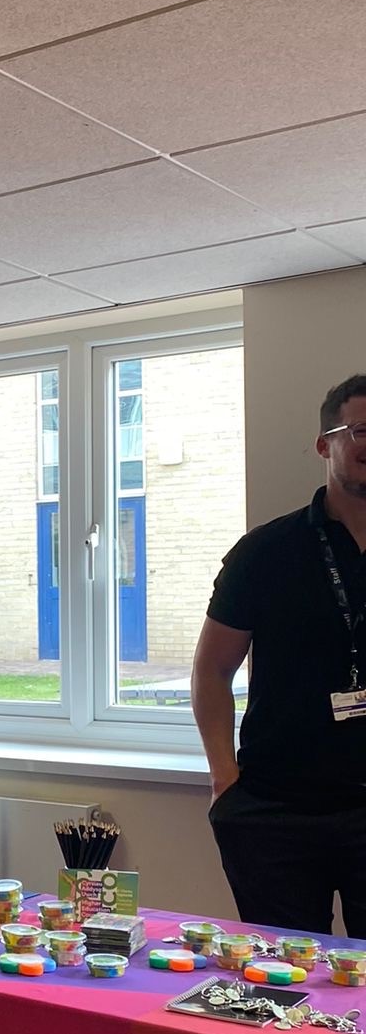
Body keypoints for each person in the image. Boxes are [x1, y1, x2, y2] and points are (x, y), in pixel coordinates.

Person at [194, 373, 366, 934]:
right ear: (324, 444)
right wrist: (224, 782)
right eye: (361, 430)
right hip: (276, 815)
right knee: (285, 977)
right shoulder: (265, 552)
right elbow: (213, 669)